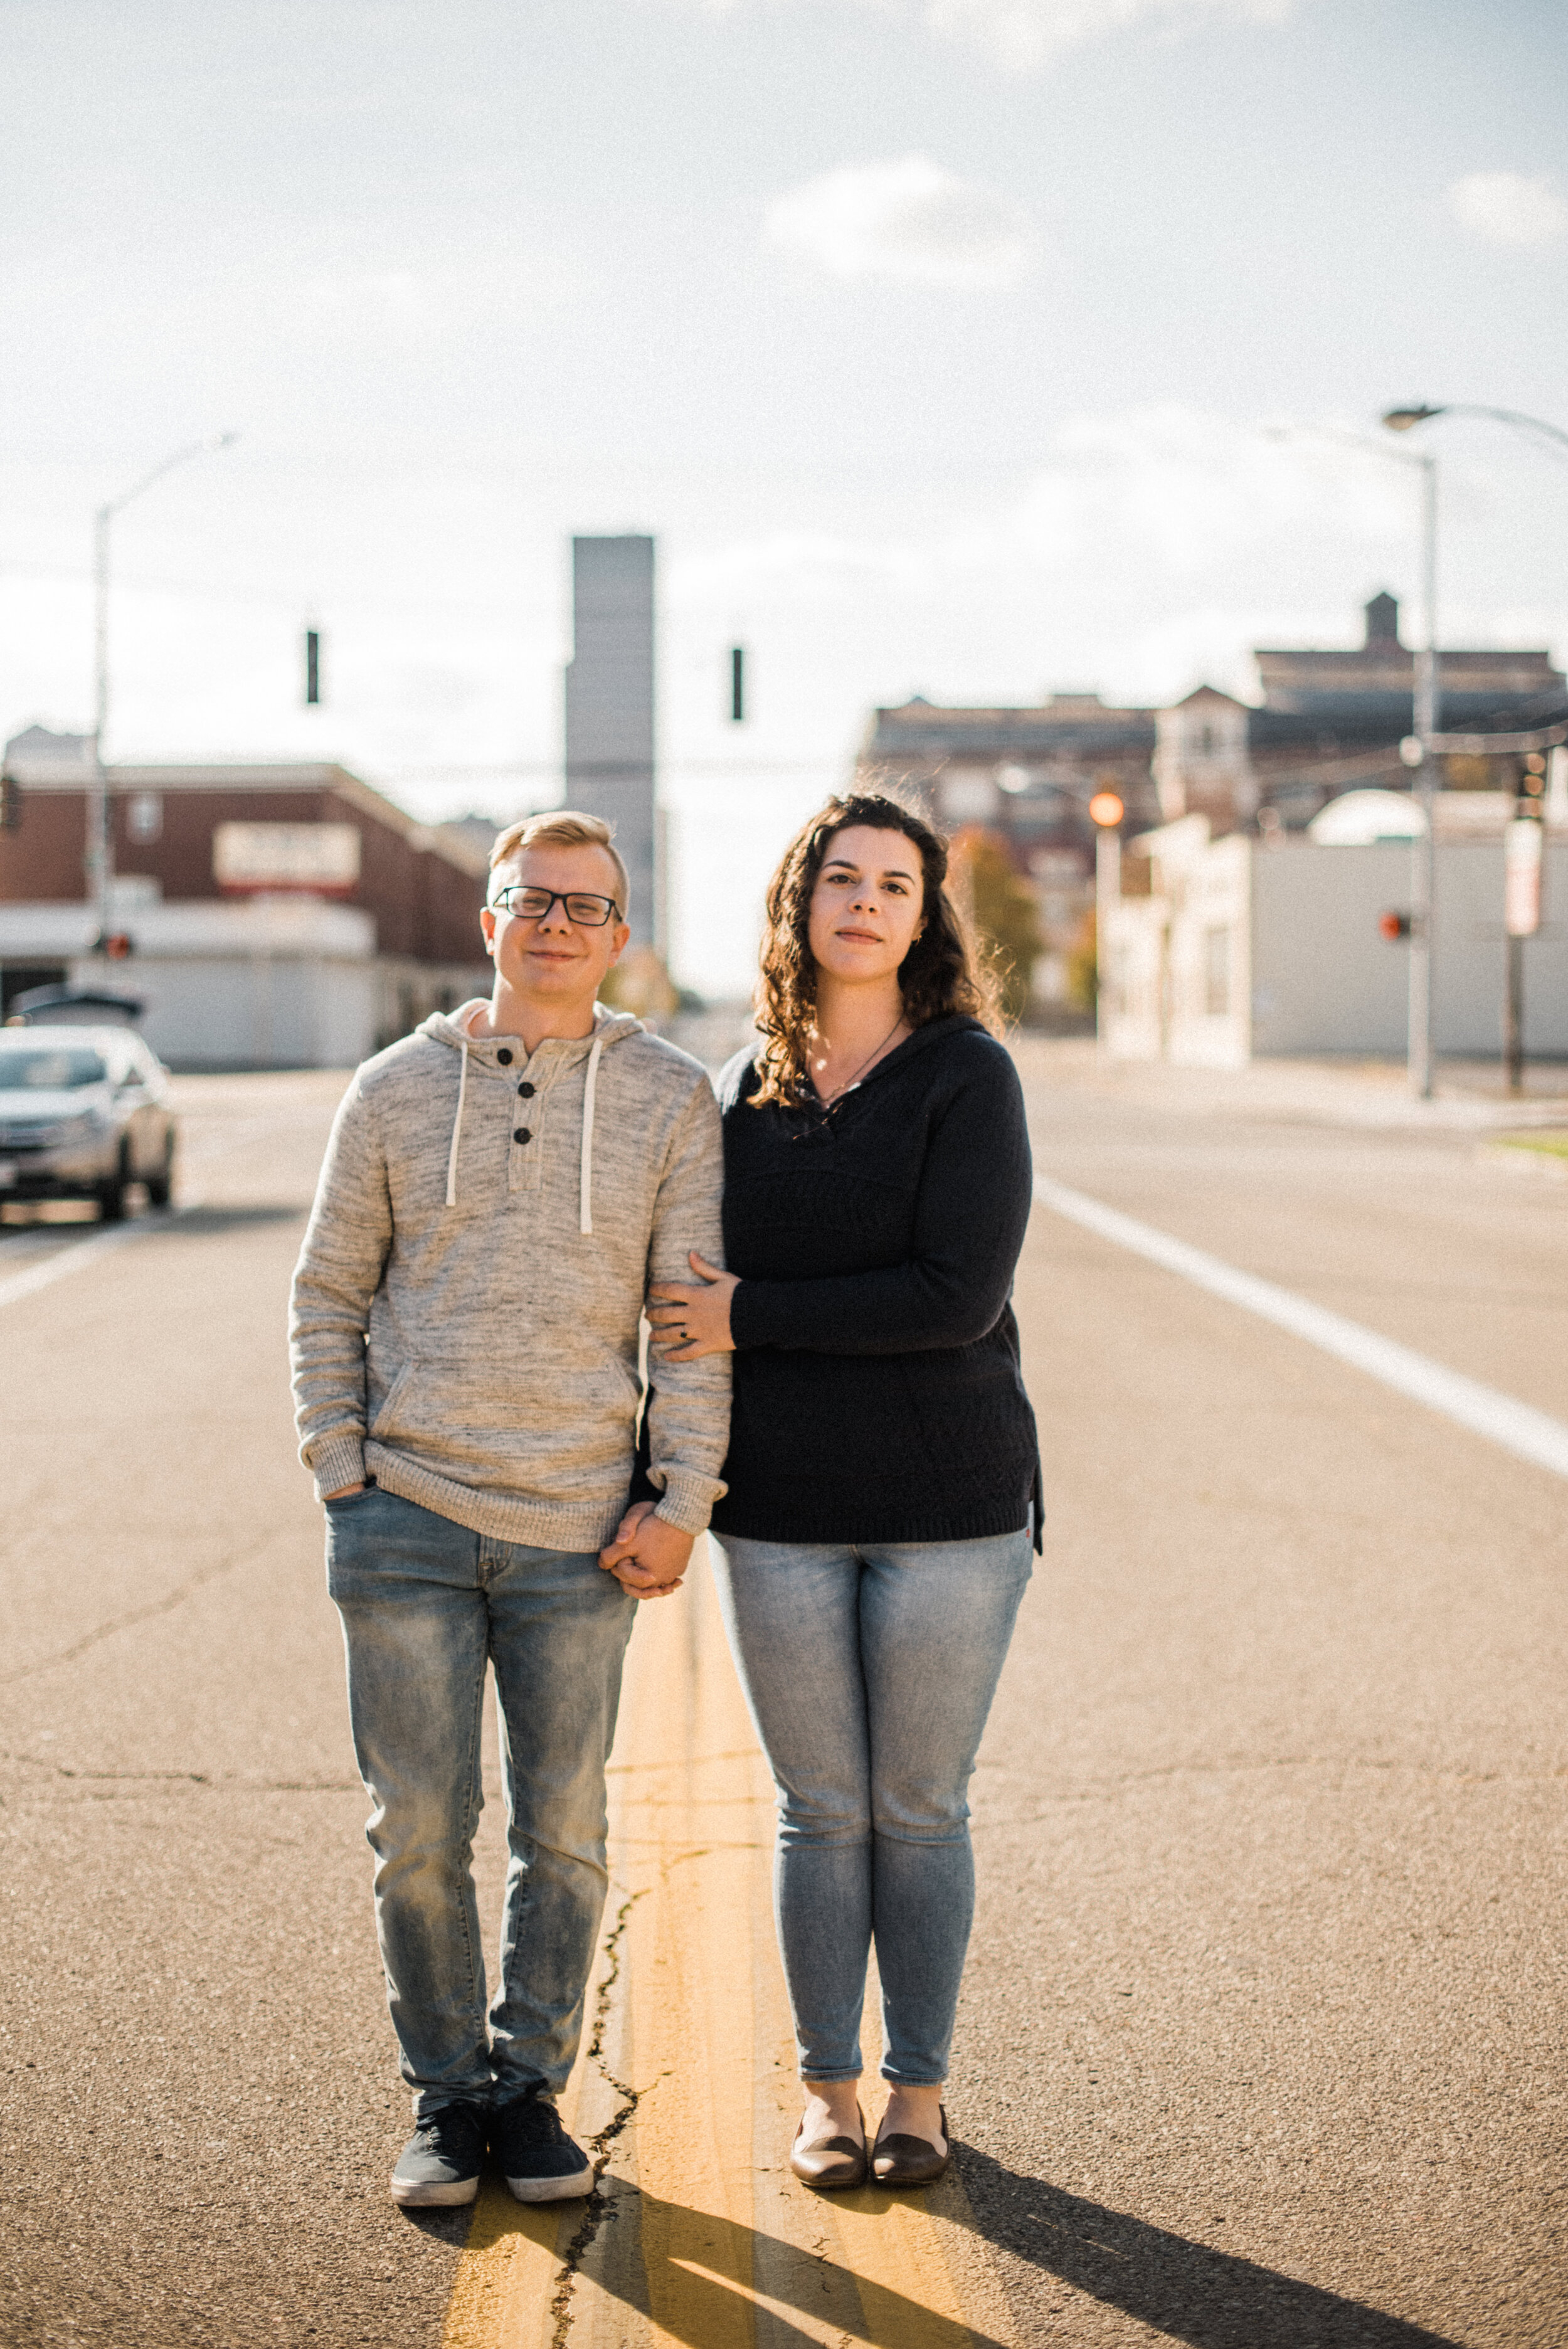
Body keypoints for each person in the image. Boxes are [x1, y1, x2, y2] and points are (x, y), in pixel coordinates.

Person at [289, 810, 729, 2210]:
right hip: (404, 1515)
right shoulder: (391, 1089)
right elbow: (327, 1292)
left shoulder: (668, 1097)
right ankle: (443, 2098)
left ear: (618, 936)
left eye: (584, 906)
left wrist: (683, 1494)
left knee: (565, 1829)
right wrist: (339, 1467)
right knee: (415, 1831)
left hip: (574, 1529)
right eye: (530, 900)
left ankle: (529, 2093)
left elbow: (690, 1325)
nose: (554, 924)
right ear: (489, 921)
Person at [605, 792, 1039, 2192]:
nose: (863, 903)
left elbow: (955, 1297)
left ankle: (915, 2091)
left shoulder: (966, 1075)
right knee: (815, 1809)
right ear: (799, 905)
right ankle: (825, 2091)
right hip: (780, 1511)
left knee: (916, 1804)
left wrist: (755, 1316)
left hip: (951, 1510)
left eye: (893, 884)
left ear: (924, 916)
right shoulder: (739, 1088)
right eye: (838, 879)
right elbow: (673, 1295)